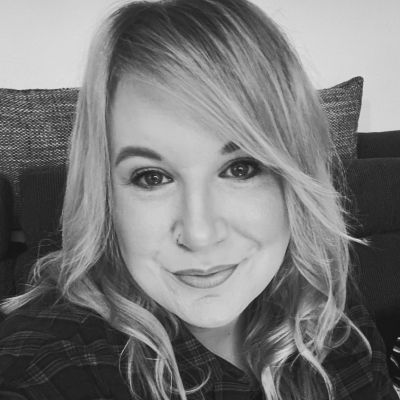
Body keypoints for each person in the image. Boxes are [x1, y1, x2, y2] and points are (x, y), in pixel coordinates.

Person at [0, 0, 397, 399]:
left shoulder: (326, 306)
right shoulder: (53, 362)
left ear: (297, 178)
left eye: (241, 168)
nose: (199, 234)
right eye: (151, 177)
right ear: (105, 196)